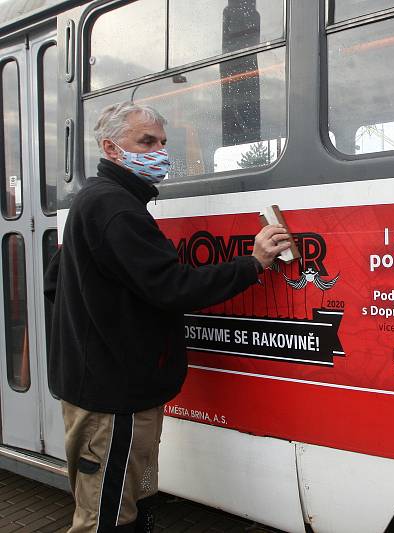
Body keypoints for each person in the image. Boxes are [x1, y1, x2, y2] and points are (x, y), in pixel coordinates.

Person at [43, 101, 291, 533]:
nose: (159, 151)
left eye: (162, 142)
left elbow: (54, 283)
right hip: (112, 401)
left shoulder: (98, 202)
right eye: (146, 142)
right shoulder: (117, 208)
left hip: (103, 390)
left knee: (125, 506)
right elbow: (173, 287)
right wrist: (252, 264)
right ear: (111, 148)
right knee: (105, 518)